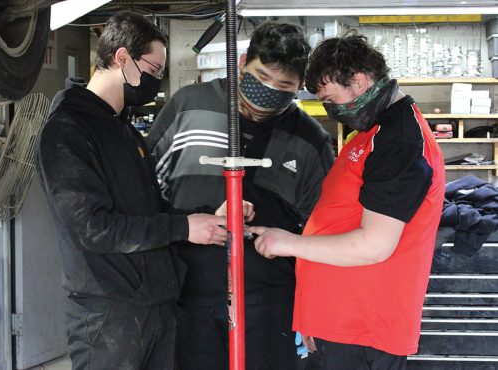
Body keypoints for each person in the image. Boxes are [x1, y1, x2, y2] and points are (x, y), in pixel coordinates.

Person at [35, 11, 241, 370]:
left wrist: (207, 217)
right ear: (122, 58)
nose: (156, 82)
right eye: (154, 71)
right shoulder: (68, 130)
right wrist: (183, 228)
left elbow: (150, 213)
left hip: (154, 305)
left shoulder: (124, 130)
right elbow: (93, 229)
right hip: (108, 314)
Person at [251, 33, 446, 370]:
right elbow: (338, 219)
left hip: (364, 331)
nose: (331, 111)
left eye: (331, 99)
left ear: (358, 81)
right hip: (340, 326)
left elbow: (374, 245)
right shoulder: (372, 132)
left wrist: (290, 244)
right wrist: (315, 314)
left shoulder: (399, 142)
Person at [147, 22, 334, 370]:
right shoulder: (187, 107)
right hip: (186, 296)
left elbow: (323, 233)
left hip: (270, 305)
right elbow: (144, 194)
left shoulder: (309, 140)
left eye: (283, 87)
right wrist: (189, 223)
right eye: (261, 77)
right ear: (243, 61)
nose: (267, 93)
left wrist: (314, 312)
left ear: (298, 89)